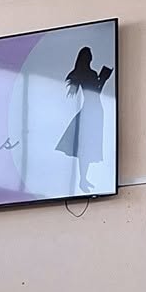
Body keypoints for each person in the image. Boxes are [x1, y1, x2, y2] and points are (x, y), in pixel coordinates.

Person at [57, 45, 114, 193]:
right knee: (87, 147)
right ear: (88, 58)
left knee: (85, 147)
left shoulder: (81, 74)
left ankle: (83, 179)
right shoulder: (91, 73)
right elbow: (96, 92)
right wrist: (104, 79)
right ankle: (83, 179)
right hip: (94, 110)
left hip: (89, 109)